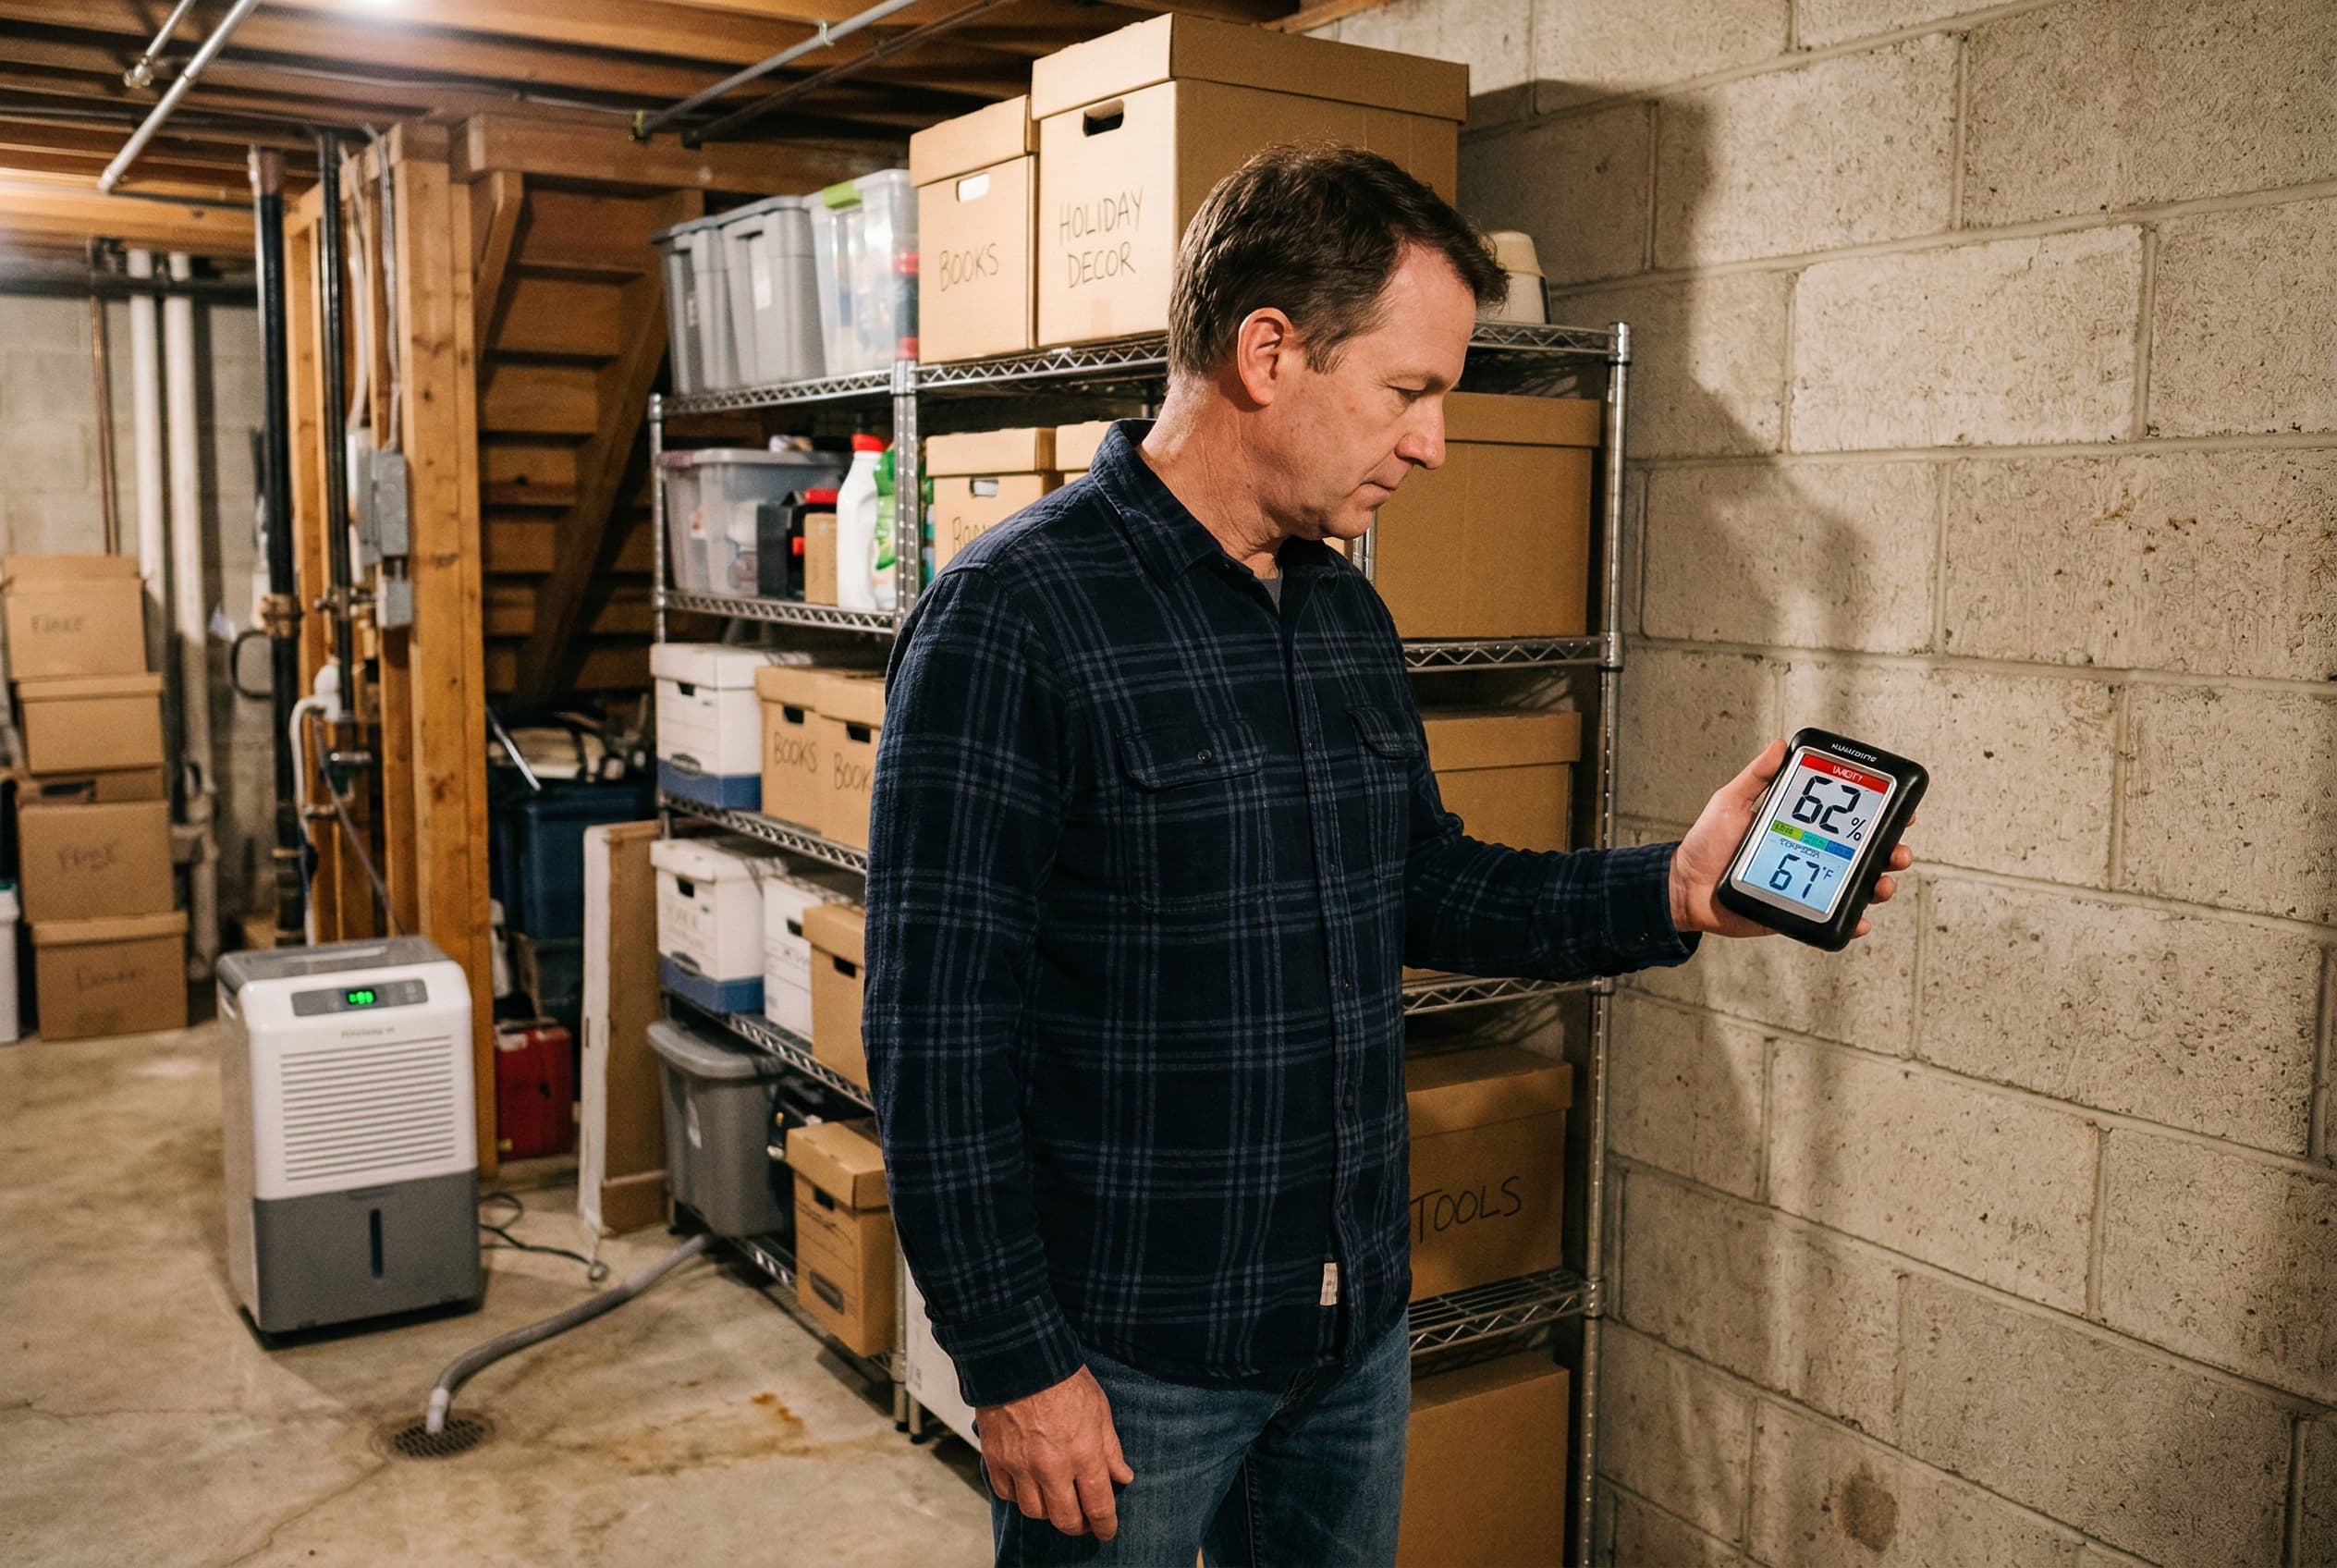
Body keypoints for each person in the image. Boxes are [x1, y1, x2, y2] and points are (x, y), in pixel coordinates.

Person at [863, 142, 1913, 1567]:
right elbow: (935, 1041)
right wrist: (1012, 1365)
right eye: (1408, 392)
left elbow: (1426, 882)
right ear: (1269, 351)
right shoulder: (1013, 619)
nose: (1432, 444)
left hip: (1350, 1337)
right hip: (1128, 1366)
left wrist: (1672, 885)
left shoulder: (1339, 613)